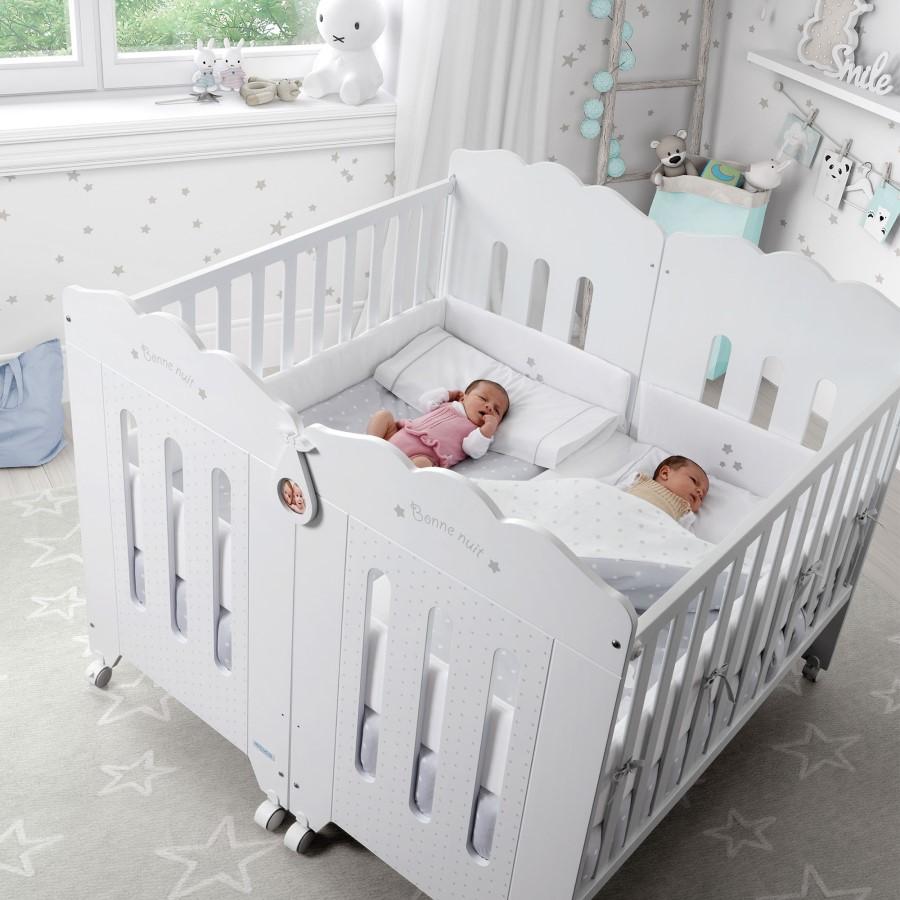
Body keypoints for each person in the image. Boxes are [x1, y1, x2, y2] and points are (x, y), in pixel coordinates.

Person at [367, 379, 510, 469]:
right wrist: (449, 394)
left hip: (422, 456)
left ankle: (395, 475)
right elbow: (424, 401)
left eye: (496, 411)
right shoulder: (449, 405)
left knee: (423, 464)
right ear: (463, 398)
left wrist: (488, 428)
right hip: (396, 436)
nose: (489, 407)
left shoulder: (481, 433)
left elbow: (472, 449)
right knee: (383, 416)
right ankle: (369, 445)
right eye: (483, 398)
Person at [626, 455, 708, 524]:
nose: (700, 492)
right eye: (694, 480)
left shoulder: (685, 515)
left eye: (701, 497)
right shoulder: (640, 480)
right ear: (665, 473)